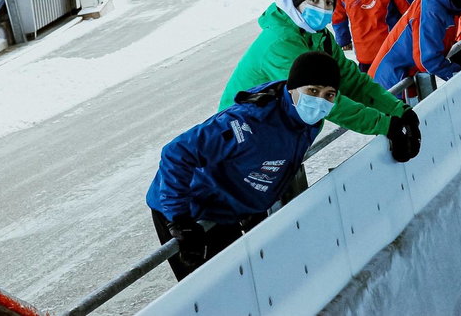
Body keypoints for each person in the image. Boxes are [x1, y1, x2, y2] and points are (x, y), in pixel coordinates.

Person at [147, 52, 415, 280]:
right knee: (213, 292)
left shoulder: (306, 118)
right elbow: (177, 152)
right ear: (292, 89)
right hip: (192, 208)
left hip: (232, 206)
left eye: (329, 94)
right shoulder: (248, 123)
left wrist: (255, 203)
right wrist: (180, 219)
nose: (320, 100)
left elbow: (272, 161)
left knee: (249, 281)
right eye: (312, 91)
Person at [218, 0, 420, 157]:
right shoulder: (280, 43)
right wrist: (385, 125)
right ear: (298, 1)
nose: (322, 8)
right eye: (314, 1)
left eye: (328, 2)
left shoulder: (320, 36)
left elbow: (352, 80)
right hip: (241, 135)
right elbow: (322, 100)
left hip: (276, 131)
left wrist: (398, 109)